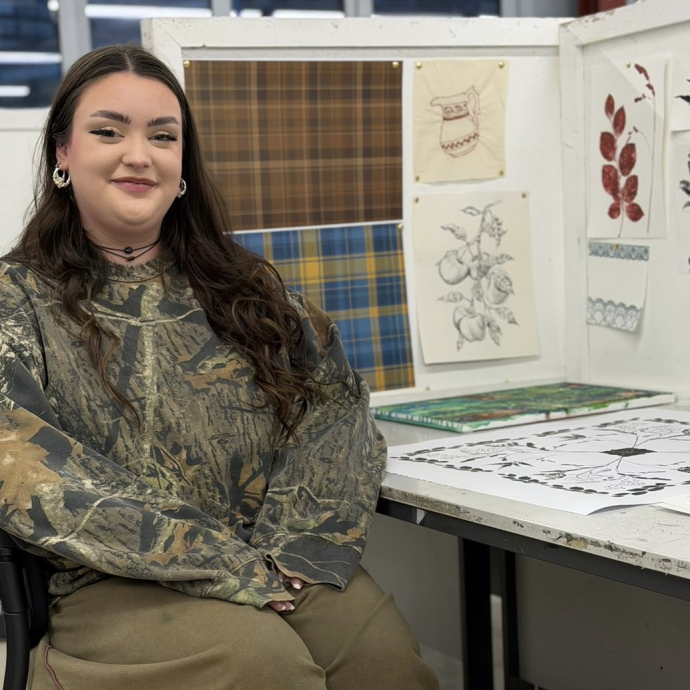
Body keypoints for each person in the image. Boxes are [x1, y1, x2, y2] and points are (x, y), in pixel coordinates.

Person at [0, 44, 439, 690]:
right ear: (63, 153)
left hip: (268, 559)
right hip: (112, 583)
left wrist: (296, 549)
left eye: (162, 136)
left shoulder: (243, 286)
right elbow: (21, 464)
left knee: (384, 662)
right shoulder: (18, 299)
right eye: (107, 132)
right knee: (264, 667)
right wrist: (208, 559)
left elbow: (333, 401)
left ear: (183, 166)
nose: (138, 154)